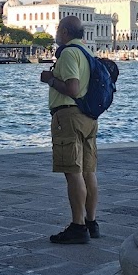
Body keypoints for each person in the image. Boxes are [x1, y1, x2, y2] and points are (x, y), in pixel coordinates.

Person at [40, 15, 100, 244]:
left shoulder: (68, 53)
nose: (56, 32)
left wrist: (50, 79)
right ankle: (91, 222)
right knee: (88, 171)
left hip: (69, 116)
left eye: (57, 29)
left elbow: (72, 88)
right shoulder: (87, 53)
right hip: (88, 117)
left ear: (65, 32)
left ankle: (78, 226)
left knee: (73, 172)